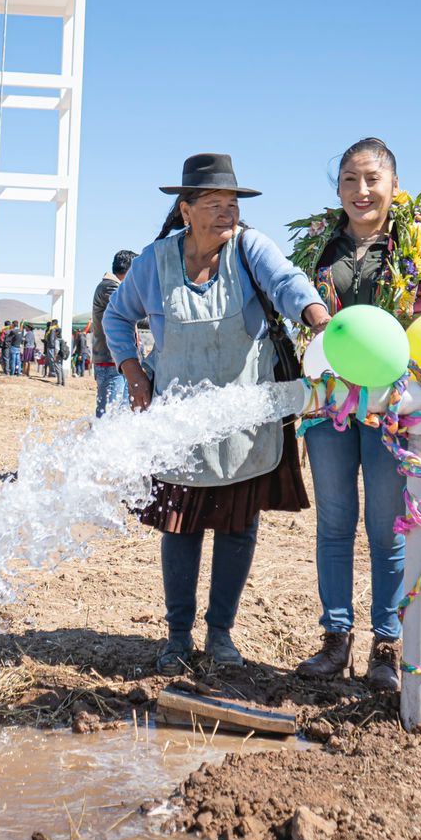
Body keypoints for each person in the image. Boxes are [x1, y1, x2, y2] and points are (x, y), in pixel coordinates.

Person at [104, 153, 330, 674]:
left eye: (232, 204)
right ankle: (177, 637)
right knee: (180, 528)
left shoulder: (251, 249)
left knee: (236, 527)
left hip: (243, 420)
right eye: (214, 204)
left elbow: (289, 283)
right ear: (186, 210)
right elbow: (118, 317)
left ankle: (221, 635)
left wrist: (317, 317)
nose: (228, 213)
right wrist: (134, 374)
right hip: (179, 425)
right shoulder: (154, 262)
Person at [295, 138, 421, 692]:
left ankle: (385, 646)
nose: (361, 190)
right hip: (328, 405)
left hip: (395, 410)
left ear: (395, 186)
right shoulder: (318, 247)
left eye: (372, 178)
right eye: (349, 179)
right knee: (333, 523)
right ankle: (335, 639)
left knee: (386, 528)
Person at [92, 249, 137, 416]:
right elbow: (129, 310)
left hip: (120, 362)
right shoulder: (109, 287)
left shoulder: (116, 287)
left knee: (121, 416)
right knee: (108, 417)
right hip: (110, 362)